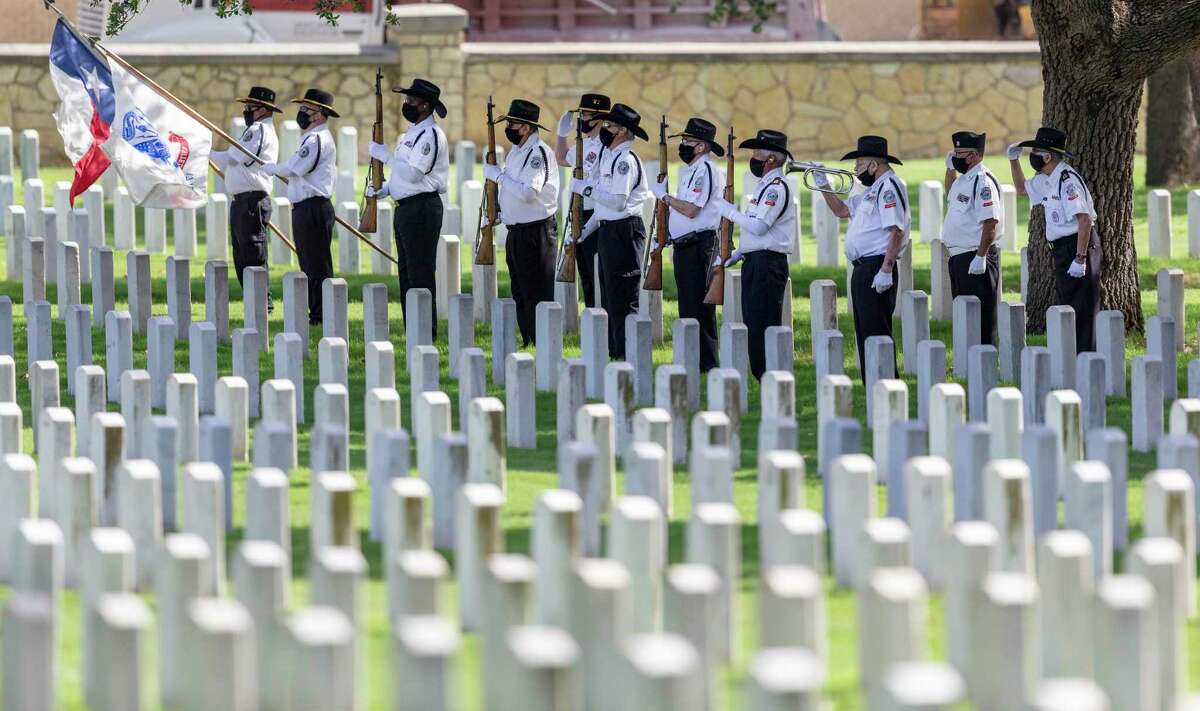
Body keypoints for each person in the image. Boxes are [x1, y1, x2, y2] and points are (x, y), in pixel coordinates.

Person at [814, 135, 910, 379]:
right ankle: (875, 391)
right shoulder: (874, 190)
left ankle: (887, 387)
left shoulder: (889, 187)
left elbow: (896, 230)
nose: (855, 170)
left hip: (876, 267)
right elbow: (841, 210)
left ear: (873, 165)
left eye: (858, 165)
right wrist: (822, 183)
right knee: (865, 335)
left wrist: (886, 269)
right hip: (863, 269)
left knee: (877, 335)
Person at [367, 77, 449, 336]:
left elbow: (415, 174)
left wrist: (385, 156)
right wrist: (387, 189)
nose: (407, 104)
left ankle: (426, 330)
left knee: (421, 271)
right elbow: (405, 177)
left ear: (425, 106)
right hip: (406, 207)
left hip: (422, 209)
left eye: (411, 100)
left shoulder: (430, 135)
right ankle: (413, 327)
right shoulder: (410, 135)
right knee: (406, 273)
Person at [711, 129, 794, 380]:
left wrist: (729, 211)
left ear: (771, 159)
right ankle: (762, 375)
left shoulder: (775, 189)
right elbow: (755, 233)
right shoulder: (764, 186)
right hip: (755, 261)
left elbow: (759, 227)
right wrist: (736, 255)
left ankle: (769, 377)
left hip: (768, 265)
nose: (754, 157)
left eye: (758, 152)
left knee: (764, 324)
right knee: (753, 323)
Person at [1008, 126, 1100, 352]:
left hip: (1078, 246)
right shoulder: (1046, 178)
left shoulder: (1066, 180)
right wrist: (1013, 161)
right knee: (1070, 304)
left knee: (1083, 308)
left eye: (1036, 151)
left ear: (1047, 156)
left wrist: (1080, 258)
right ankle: (1073, 357)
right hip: (1063, 249)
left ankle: (1086, 359)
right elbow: (1021, 189)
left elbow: (1084, 220)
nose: (1033, 156)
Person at [573, 103, 651, 359]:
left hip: (624, 233)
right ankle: (615, 352)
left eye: (608, 125)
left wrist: (585, 189)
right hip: (608, 230)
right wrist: (585, 230)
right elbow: (604, 209)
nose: (603, 129)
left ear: (621, 131)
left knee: (622, 297)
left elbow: (617, 202)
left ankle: (628, 356)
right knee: (607, 296)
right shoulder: (611, 157)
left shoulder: (625, 162)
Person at [482, 99, 560, 347]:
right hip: (516, 231)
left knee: (536, 290)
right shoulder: (518, 152)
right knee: (520, 290)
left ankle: (542, 343)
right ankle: (528, 339)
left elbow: (528, 193)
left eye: (513, 124)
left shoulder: (538, 154)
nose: (509, 128)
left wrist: (498, 175)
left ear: (526, 127)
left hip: (536, 232)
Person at [650, 116, 725, 372]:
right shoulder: (690, 170)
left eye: (688, 141)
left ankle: (707, 364)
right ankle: (693, 359)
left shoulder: (705, 171)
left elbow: (692, 210)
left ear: (701, 146)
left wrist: (665, 197)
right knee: (688, 306)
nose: (683, 145)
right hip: (685, 245)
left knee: (699, 308)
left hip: (699, 246)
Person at [262, 88, 338, 325]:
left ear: (319, 114)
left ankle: (321, 315)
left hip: (313, 208)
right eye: (302, 109)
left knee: (316, 264)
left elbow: (295, 168)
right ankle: (317, 312)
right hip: (306, 207)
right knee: (309, 262)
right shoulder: (312, 138)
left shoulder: (317, 139)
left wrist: (269, 168)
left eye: (306, 109)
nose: (302, 113)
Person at [211, 86, 279, 299]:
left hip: (251, 201)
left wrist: (204, 151)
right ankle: (254, 301)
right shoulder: (257, 130)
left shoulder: (258, 130)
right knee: (242, 254)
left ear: (263, 109)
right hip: (243, 200)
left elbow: (233, 157)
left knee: (252, 254)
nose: (247, 110)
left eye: (250, 106)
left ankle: (261, 303)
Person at [941, 130, 1003, 345]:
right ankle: (968, 361)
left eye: (959, 153)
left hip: (975, 257)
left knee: (981, 319)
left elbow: (990, 222)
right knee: (964, 315)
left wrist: (981, 255)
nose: (955, 156)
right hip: (960, 258)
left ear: (974, 155)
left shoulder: (983, 182)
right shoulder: (965, 179)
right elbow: (951, 194)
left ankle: (984, 359)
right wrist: (950, 170)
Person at [555, 92, 611, 308]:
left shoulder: (606, 147)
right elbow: (561, 158)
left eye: (586, 115)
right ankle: (592, 319)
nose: (582, 120)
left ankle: (601, 319)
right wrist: (561, 135)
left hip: (594, 216)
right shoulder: (585, 143)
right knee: (586, 274)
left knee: (597, 274)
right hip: (577, 213)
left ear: (599, 118)